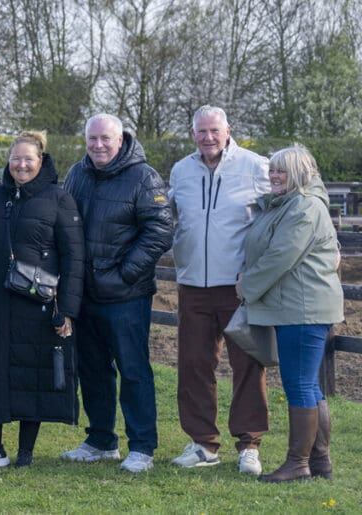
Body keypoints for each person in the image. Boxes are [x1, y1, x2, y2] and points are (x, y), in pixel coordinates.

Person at [0, 131, 83, 468]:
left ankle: (26, 451)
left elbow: (74, 258)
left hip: (36, 303)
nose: (21, 165)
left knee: (32, 374)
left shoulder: (59, 199)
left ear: (41, 161)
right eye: (16, 159)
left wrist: (67, 309)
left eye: (28, 159)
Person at [61, 114, 173, 473]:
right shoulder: (77, 173)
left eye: (105, 139)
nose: (98, 145)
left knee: (134, 370)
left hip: (126, 295)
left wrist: (126, 273)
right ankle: (100, 440)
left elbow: (160, 229)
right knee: (92, 368)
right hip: (85, 293)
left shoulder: (143, 177)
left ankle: (142, 447)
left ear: (121, 139)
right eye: (92, 138)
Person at [168, 105, 270, 474]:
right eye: (201, 131)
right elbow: (169, 219)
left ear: (228, 130)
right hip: (193, 284)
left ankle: (249, 444)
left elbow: (291, 205)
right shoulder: (181, 170)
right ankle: (203, 444)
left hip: (240, 287)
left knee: (247, 364)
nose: (208, 137)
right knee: (194, 365)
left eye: (214, 130)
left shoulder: (257, 166)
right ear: (192, 133)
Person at [238, 144, 343, 483]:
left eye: (281, 170)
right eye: (272, 170)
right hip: (299, 306)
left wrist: (247, 284)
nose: (274, 176)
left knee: (298, 384)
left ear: (299, 172)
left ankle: (298, 464)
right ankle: (320, 462)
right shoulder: (291, 204)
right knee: (308, 385)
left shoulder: (304, 207)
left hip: (303, 308)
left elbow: (281, 255)